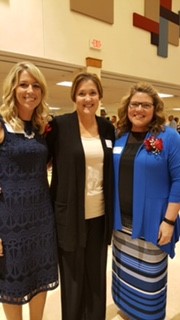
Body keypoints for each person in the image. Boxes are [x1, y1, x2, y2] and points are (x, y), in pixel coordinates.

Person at [46, 72, 115, 320]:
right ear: (74, 97)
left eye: (93, 93)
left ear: (100, 97)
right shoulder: (60, 126)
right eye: (82, 93)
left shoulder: (107, 128)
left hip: (100, 214)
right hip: (70, 215)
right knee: (73, 279)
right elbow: (38, 160)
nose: (88, 98)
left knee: (96, 276)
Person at [112, 82, 180, 320]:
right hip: (122, 224)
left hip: (153, 223)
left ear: (155, 108)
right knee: (125, 275)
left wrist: (169, 222)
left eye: (145, 105)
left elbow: (179, 180)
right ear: (127, 107)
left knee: (149, 280)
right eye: (134, 104)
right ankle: (128, 312)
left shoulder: (168, 137)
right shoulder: (120, 137)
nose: (139, 109)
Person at [0, 61, 59, 320]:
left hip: (41, 218)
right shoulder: (2, 124)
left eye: (36, 85)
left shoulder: (40, 128)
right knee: (11, 285)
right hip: (9, 221)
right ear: (13, 88)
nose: (30, 91)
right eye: (23, 84)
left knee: (40, 278)